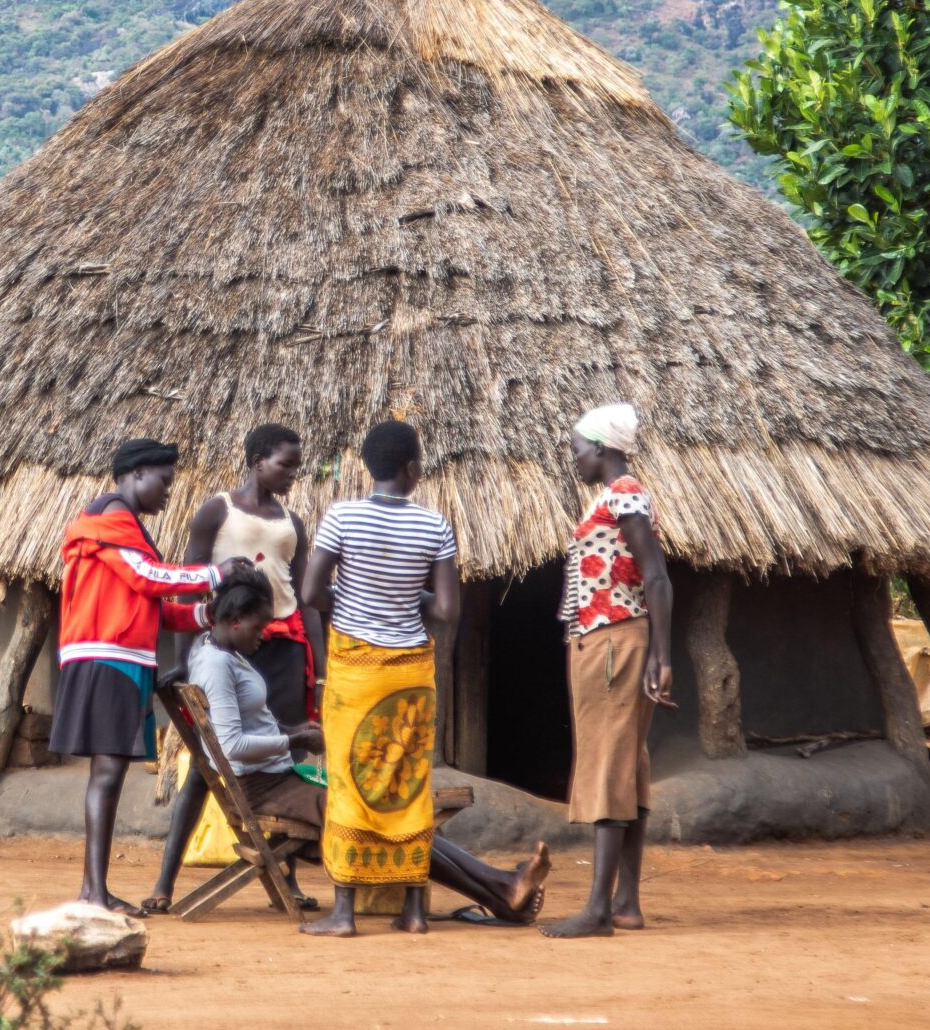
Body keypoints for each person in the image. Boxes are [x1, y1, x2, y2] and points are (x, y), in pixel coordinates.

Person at [188, 570, 547, 922]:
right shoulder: (218, 666)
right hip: (263, 788)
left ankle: (501, 889)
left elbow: (245, 725)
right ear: (234, 619)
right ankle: (500, 888)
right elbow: (232, 745)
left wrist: (291, 729)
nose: (264, 635)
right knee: (374, 813)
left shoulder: (213, 650)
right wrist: (294, 739)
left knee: (383, 810)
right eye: (258, 626)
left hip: (277, 777)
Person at [48, 436, 233, 914]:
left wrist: (201, 618)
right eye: (164, 481)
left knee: (105, 775)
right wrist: (214, 576)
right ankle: (93, 891)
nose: (168, 492)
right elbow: (148, 579)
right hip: (107, 660)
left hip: (113, 658)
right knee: (106, 774)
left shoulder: (119, 527)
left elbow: (147, 604)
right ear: (135, 474)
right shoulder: (111, 524)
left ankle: (95, 888)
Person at [296, 419, 460, 936]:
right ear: (411, 468)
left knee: (350, 778)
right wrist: (408, 596)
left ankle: (344, 912)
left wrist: (349, 600)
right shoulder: (435, 525)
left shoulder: (341, 516)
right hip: (411, 670)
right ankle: (413, 910)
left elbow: (310, 592)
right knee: (409, 782)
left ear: (370, 465)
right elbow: (448, 609)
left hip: (355, 668)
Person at [143, 423, 314, 915]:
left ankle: (288, 879)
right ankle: (164, 883)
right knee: (206, 765)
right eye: (286, 465)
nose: (292, 476)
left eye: (297, 467)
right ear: (258, 461)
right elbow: (192, 585)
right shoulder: (217, 510)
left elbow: (301, 600)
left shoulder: (293, 523)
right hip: (223, 647)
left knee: (284, 761)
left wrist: (316, 668)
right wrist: (183, 661)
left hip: (280, 648)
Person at [543, 402, 677, 939]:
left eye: (577, 449)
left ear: (601, 448)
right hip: (612, 640)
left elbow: (658, 577)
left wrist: (662, 656)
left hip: (613, 642)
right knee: (628, 766)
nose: (574, 459)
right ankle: (625, 903)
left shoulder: (624, 494)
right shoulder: (617, 496)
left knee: (606, 764)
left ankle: (599, 909)